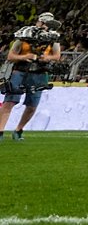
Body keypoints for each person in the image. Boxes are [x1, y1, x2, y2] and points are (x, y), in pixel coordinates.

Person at [0, 12, 61, 141]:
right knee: (9, 102)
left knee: (32, 105)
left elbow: (57, 56)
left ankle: (18, 130)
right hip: (20, 71)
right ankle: (0, 132)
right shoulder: (24, 35)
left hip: (39, 73)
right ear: (39, 22)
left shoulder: (53, 39)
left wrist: (46, 58)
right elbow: (11, 56)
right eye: (44, 23)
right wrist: (25, 57)